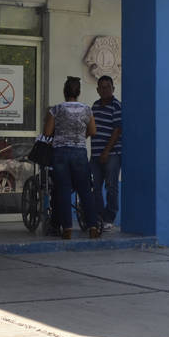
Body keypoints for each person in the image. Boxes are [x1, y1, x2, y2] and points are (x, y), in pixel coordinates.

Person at [43, 75, 100, 239]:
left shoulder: (56, 109)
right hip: (79, 153)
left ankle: (67, 228)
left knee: (63, 190)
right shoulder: (86, 109)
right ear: (79, 92)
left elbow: (47, 132)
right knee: (85, 190)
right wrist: (80, 137)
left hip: (60, 152)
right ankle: (93, 226)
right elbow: (93, 130)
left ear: (64, 91)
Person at [89, 75, 123, 231]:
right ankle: (99, 216)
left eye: (107, 87)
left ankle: (109, 218)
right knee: (94, 187)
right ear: (97, 90)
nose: (105, 90)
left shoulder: (117, 106)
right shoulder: (95, 106)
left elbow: (117, 131)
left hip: (112, 154)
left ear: (113, 88)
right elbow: (91, 127)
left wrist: (106, 152)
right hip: (95, 155)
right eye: (101, 87)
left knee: (111, 186)